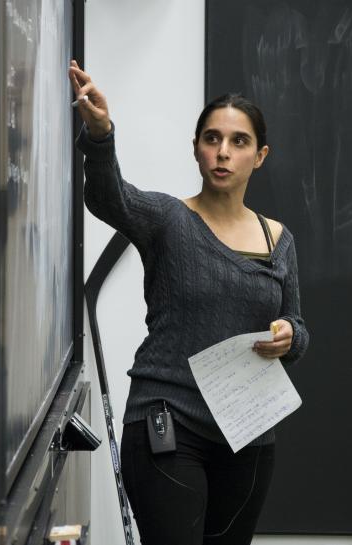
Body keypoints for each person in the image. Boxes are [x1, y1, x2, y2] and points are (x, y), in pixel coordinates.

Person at [68, 59, 309, 545]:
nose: (223, 152)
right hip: (168, 420)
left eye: (238, 142)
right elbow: (109, 198)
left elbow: (298, 328)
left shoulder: (277, 238)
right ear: (196, 150)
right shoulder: (167, 218)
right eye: (211, 139)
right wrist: (100, 134)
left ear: (259, 156)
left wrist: (288, 335)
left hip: (248, 433)